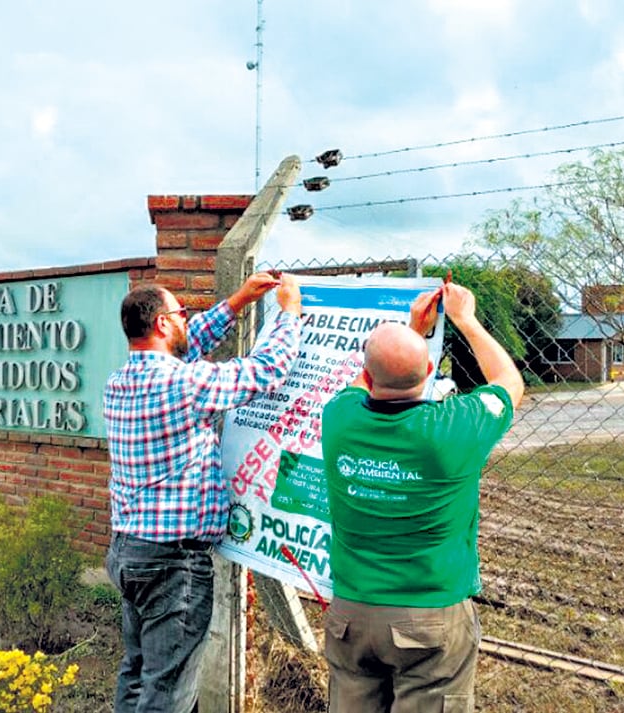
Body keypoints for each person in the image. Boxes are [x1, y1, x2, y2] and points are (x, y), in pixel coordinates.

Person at [320, 282, 524, 713]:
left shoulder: (339, 417)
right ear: (430, 367)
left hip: (351, 613)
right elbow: (509, 382)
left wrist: (413, 327)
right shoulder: (453, 429)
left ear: (369, 375)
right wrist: (465, 320)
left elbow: (364, 382)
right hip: (429, 614)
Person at [103, 272, 303, 712]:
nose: (186, 322)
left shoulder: (119, 383)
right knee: (168, 693)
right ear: (161, 324)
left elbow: (184, 349)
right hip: (173, 565)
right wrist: (289, 314)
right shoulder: (186, 385)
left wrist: (236, 302)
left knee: (137, 676)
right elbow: (266, 370)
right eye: (180, 315)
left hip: (129, 552)